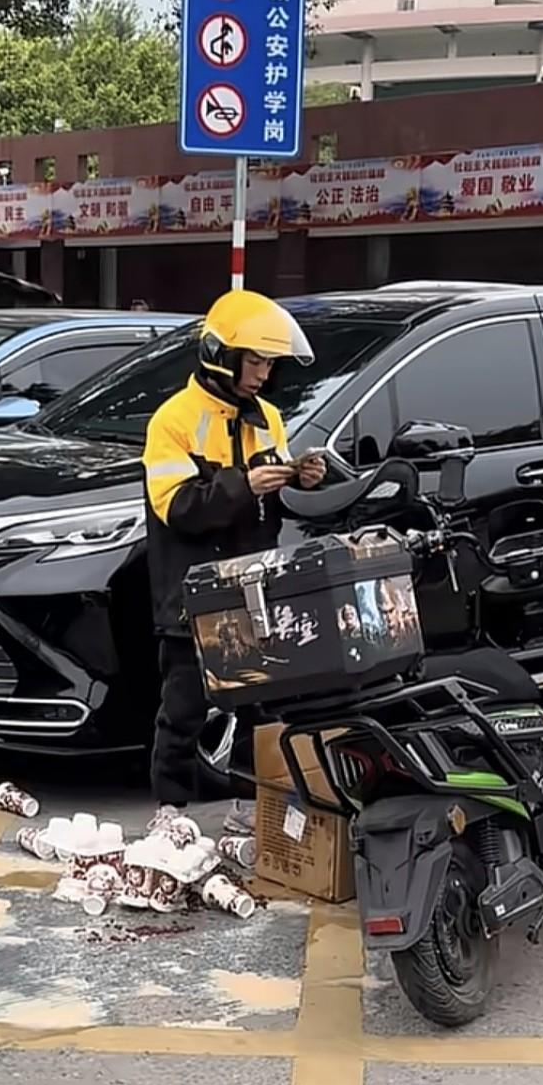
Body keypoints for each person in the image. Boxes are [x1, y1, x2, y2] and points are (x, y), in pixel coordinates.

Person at [142, 289, 326, 829]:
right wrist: (244, 485)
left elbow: (272, 495)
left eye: (270, 362)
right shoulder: (173, 421)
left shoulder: (267, 417)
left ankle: (249, 807)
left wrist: (304, 477)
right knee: (183, 710)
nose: (264, 373)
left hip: (253, 585)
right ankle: (170, 811)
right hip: (192, 593)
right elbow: (178, 508)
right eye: (255, 360)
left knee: (258, 705)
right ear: (221, 355)